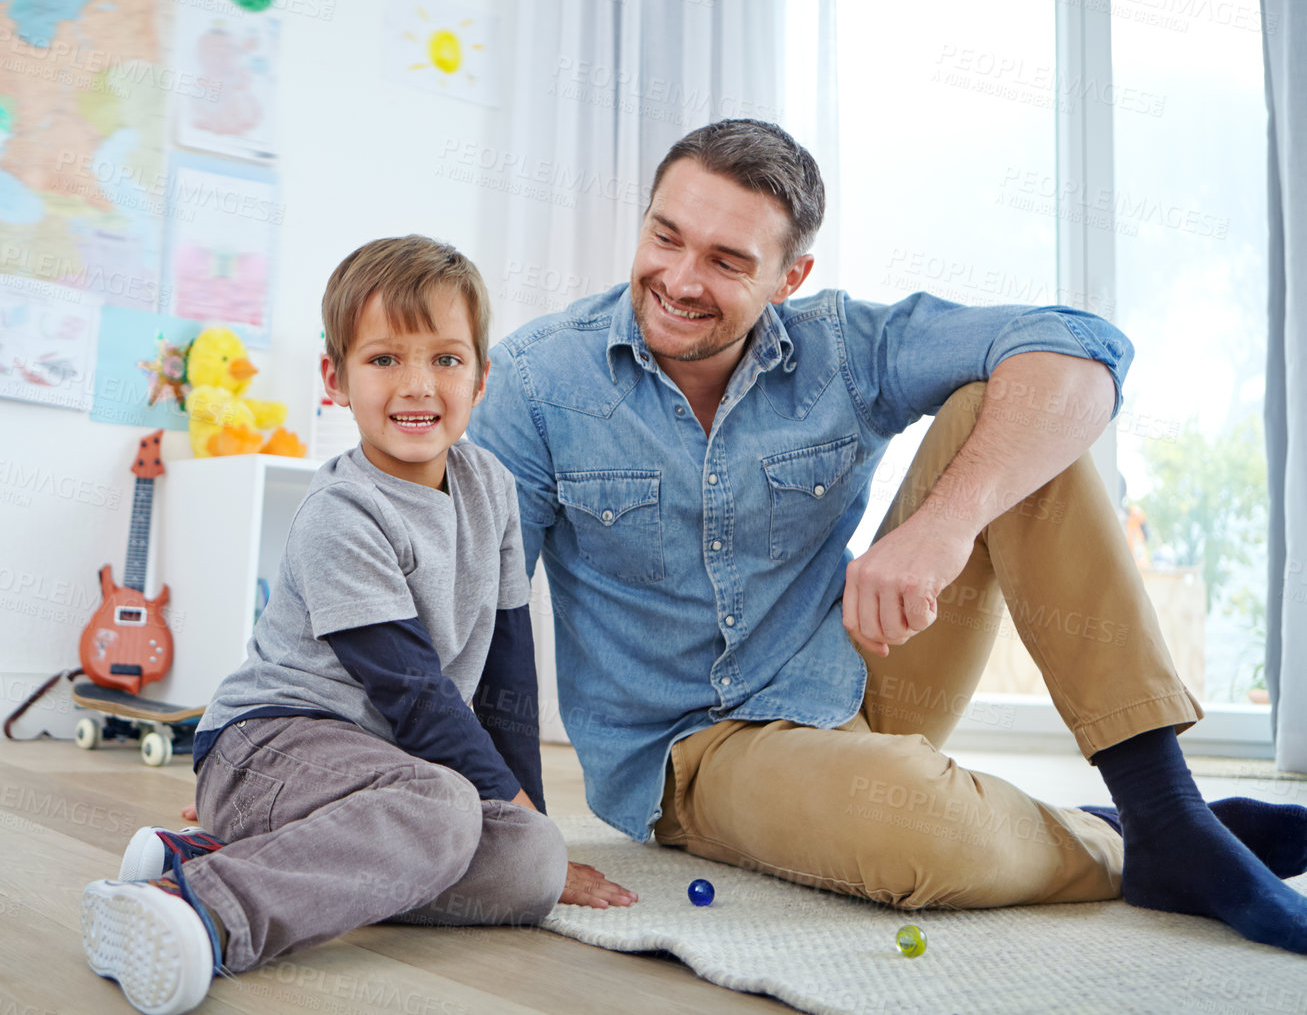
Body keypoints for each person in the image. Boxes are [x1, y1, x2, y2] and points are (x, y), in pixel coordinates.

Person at [467, 118, 1307, 954]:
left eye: (727, 262)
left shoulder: (840, 346)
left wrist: (940, 531)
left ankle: (1164, 804)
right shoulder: (538, 384)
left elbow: (1083, 349)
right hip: (697, 753)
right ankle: (1132, 840)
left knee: (1014, 404)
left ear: (788, 278)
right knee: (921, 836)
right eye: (665, 237)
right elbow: (489, 619)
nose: (680, 279)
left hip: (860, 667)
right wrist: (513, 827)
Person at [81, 235, 637, 1015]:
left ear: (481, 379)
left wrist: (532, 822)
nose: (417, 386)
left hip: (390, 774)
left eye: (445, 359)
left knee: (530, 867)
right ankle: (201, 908)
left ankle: (235, 854)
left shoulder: (495, 489)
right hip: (267, 743)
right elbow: (412, 692)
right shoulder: (342, 515)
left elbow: (509, 665)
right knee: (445, 808)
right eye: (383, 360)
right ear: (334, 379)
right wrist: (496, 802)